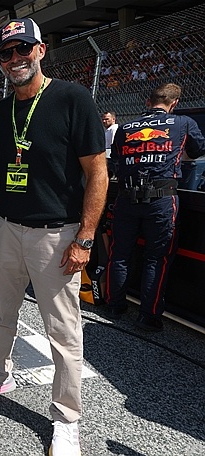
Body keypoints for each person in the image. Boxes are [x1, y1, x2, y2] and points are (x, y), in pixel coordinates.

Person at [0, 18, 108, 456]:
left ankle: (66, 420)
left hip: (57, 235)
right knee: (2, 314)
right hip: (8, 227)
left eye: (22, 48)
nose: (15, 59)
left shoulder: (72, 97)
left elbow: (97, 172)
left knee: (63, 333)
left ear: (41, 49)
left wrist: (85, 238)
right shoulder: (1, 111)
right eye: (6, 53)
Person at [106, 83, 205, 331]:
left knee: (120, 254)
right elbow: (198, 150)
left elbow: (116, 159)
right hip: (161, 199)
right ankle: (148, 316)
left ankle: (114, 306)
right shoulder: (183, 122)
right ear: (174, 103)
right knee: (157, 258)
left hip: (126, 198)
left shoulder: (125, 127)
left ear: (148, 102)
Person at [102, 111, 118, 176]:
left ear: (113, 119)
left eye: (107, 119)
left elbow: (113, 143)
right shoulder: (108, 130)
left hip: (111, 158)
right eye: (103, 119)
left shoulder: (113, 129)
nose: (104, 121)